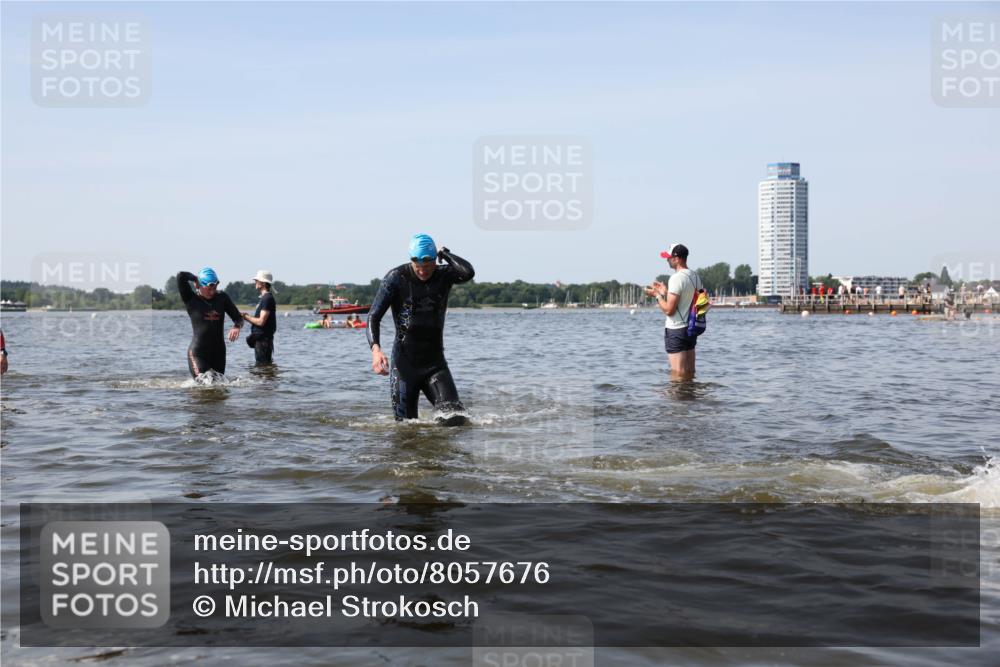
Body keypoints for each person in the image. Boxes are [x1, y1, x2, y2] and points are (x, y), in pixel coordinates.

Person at [367, 233, 475, 420]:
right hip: (403, 366)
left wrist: (445, 254)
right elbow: (373, 317)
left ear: (435, 260)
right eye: (418, 266)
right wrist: (376, 350)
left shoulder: (444, 275)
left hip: (435, 364)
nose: (423, 271)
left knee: (456, 419)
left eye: (427, 266)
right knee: (405, 429)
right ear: (411, 261)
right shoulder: (396, 277)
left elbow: (468, 272)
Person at [646, 243, 702, 380]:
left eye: (669, 257)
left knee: (678, 374)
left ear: (677, 259)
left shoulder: (676, 278)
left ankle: (677, 401)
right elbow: (687, 301)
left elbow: (669, 310)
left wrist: (657, 296)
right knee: (689, 372)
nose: (667, 260)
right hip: (691, 328)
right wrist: (665, 293)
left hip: (676, 330)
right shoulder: (695, 276)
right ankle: (690, 399)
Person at [177, 267, 243, 377]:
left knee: (219, 387)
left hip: (219, 354)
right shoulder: (190, 299)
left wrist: (236, 326)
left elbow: (239, 318)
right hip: (198, 354)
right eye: (209, 288)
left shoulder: (222, 298)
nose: (212, 292)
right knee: (204, 384)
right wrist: (195, 278)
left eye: (215, 287)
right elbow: (180, 276)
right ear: (199, 285)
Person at [241, 270, 277, 365]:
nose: (255, 282)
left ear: (263, 283)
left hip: (263, 340)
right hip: (262, 340)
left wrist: (246, 317)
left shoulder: (267, 298)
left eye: (257, 280)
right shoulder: (265, 298)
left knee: (262, 366)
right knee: (263, 368)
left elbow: (261, 322)